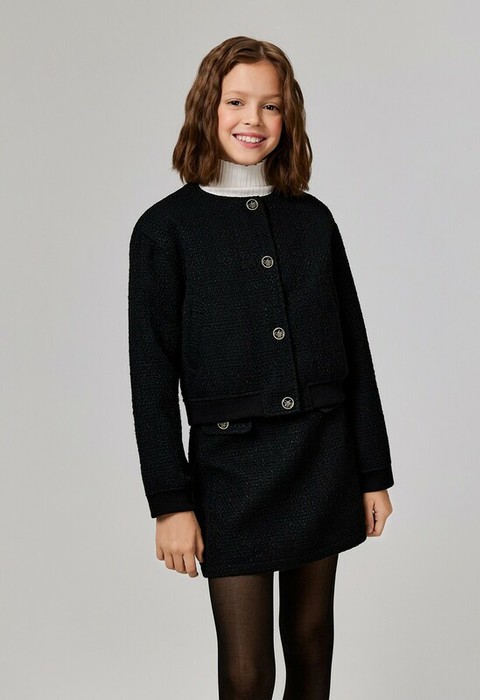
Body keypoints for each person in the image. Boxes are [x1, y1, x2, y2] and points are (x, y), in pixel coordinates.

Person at [128, 35, 395, 700]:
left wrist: (372, 473)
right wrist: (170, 502)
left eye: (270, 106)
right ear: (207, 108)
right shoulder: (166, 230)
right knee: (247, 671)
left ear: (288, 116)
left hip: (321, 457)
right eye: (236, 102)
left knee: (310, 644)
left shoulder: (313, 221)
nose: (253, 120)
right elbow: (151, 378)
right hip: (229, 471)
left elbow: (355, 352)